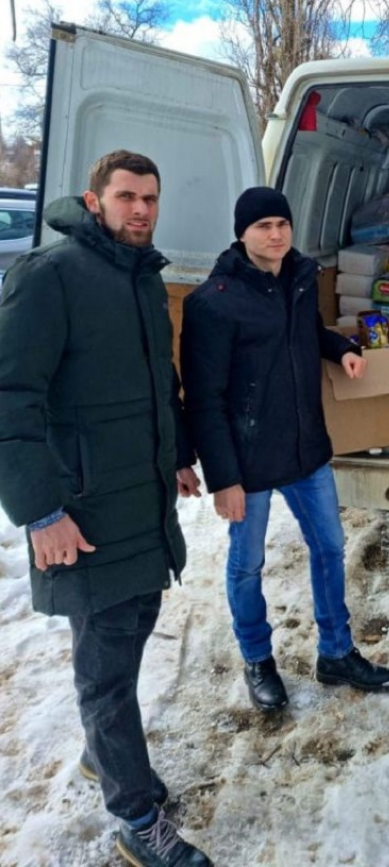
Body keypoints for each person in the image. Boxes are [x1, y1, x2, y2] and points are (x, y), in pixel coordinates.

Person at [0, 151, 213, 867]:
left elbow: (160, 383)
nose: (141, 209)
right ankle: (135, 816)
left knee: (129, 632)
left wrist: (179, 453)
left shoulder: (142, 278)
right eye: (126, 196)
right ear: (94, 202)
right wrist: (38, 513)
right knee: (107, 670)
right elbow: (10, 399)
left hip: (141, 501)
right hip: (86, 513)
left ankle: (108, 757)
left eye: (150, 197)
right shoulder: (49, 277)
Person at [180, 187, 389, 712]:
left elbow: (305, 332)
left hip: (306, 449)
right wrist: (224, 478)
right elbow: (204, 399)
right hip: (248, 462)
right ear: (242, 233)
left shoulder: (300, 276)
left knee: (329, 547)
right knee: (247, 565)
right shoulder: (213, 302)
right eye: (263, 226)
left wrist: (342, 349)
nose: (275, 234)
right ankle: (257, 658)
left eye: (282, 223)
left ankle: (336, 652)